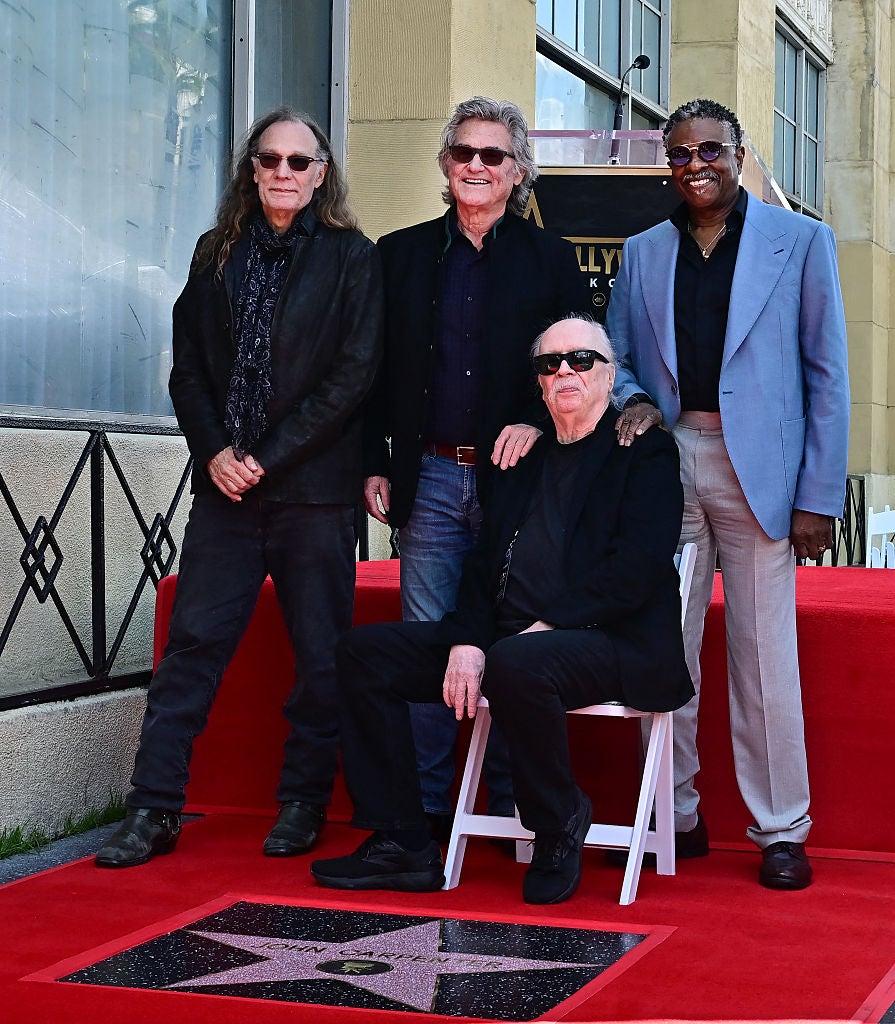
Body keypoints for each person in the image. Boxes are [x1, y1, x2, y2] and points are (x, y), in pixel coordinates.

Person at [311, 316, 693, 905]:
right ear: (538, 383)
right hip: (515, 639)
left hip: (616, 642)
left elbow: (636, 571)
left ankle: (558, 820)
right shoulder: (525, 457)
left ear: (611, 374)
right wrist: (467, 638)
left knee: (518, 660)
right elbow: (482, 566)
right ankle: (403, 841)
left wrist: (549, 625)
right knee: (365, 654)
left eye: (582, 360)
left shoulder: (642, 450)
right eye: (550, 363)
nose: (565, 371)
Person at [95, 108, 383, 868]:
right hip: (225, 492)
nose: (283, 173)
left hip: (314, 493)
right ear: (250, 171)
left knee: (320, 655)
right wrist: (216, 451)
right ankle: (154, 808)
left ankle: (303, 802)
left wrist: (266, 456)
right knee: (191, 646)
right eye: (270, 160)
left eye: (299, 161)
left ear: (322, 173)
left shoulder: (354, 257)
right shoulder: (213, 253)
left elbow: (352, 377)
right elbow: (187, 370)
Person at [606, 97, 849, 890]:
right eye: (678, 154)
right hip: (668, 463)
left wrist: (816, 494)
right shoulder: (641, 251)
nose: (694, 165)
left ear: (738, 154)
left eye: (709, 150)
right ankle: (672, 815)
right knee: (663, 649)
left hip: (762, 477)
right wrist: (633, 400)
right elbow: (619, 357)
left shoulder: (800, 242)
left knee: (761, 658)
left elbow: (826, 376)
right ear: (665, 165)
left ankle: (781, 829)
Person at [364, 97, 590, 837]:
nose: (476, 166)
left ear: (516, 171)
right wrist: (374, 461)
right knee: (426, 638)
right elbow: (371, 371)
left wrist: (535, 416)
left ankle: (505, 804)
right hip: (426, 478)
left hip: (516, 485)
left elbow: (580, 361)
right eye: (463, 152)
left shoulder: (551, 260)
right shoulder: (397, 256)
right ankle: (429, 809)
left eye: (492, 155)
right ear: (443, 163)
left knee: (509, 635)